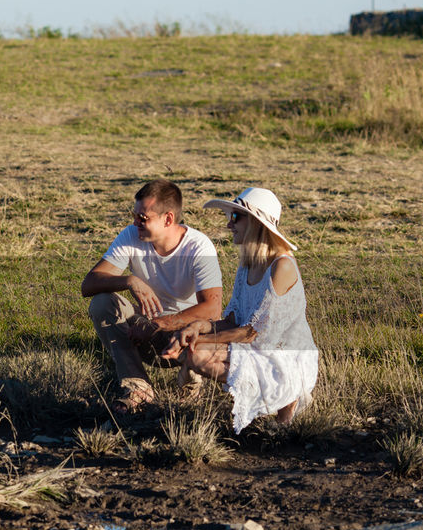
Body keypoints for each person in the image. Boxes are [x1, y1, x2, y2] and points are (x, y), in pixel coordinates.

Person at [163, 187, 318, 433]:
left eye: (236, 217)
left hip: (285, 357)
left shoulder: (282, 266)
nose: (229, 225)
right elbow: (234, 320)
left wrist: (202, 339)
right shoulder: (247, 266)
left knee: (197, 353)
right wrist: (195, 328)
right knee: (194, 351)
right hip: (257, 349)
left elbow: (252, 332)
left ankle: (286, 394)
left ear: (256, 223)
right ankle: (271, 399)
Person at [82, 180, 223, 415]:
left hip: (183, 333)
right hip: (144, 328)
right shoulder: (131, 235)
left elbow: (213, 309)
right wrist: (129, 281)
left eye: (143, 218)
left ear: (168, 219)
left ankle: (190, 386)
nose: (135, 223)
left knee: (201, 330)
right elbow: (89, 284)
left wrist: (158, 324)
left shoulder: (199, 246)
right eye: (134, 215)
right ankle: (137, 388)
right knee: (102, 303)